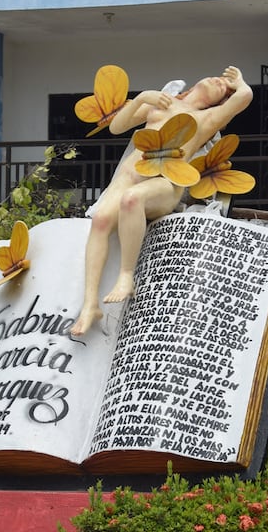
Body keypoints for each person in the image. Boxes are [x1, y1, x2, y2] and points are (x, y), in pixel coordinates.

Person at [71, 65, 253, 337]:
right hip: (128, 175)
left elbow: (244, 97)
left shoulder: (207, 118)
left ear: (219, 103)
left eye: (223, 90)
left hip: (165, 182)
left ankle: (126, 275)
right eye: (217, 79)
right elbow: (117, 127)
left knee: (132, 200)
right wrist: (144, 97)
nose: (219, 82)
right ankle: (89, 305)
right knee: (101, 219)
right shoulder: (161, 103)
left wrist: (239, 83)